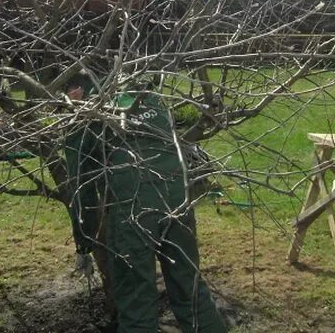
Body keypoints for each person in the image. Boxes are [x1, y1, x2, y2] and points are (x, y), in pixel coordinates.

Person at [63, 71, 227, 333]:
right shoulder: (145, 95)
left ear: (76, 91)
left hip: (134, 211)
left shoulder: (83, 116)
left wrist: (84, 242)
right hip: (177, 199)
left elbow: (79, 187)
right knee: (190, 288)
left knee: (137, 300)